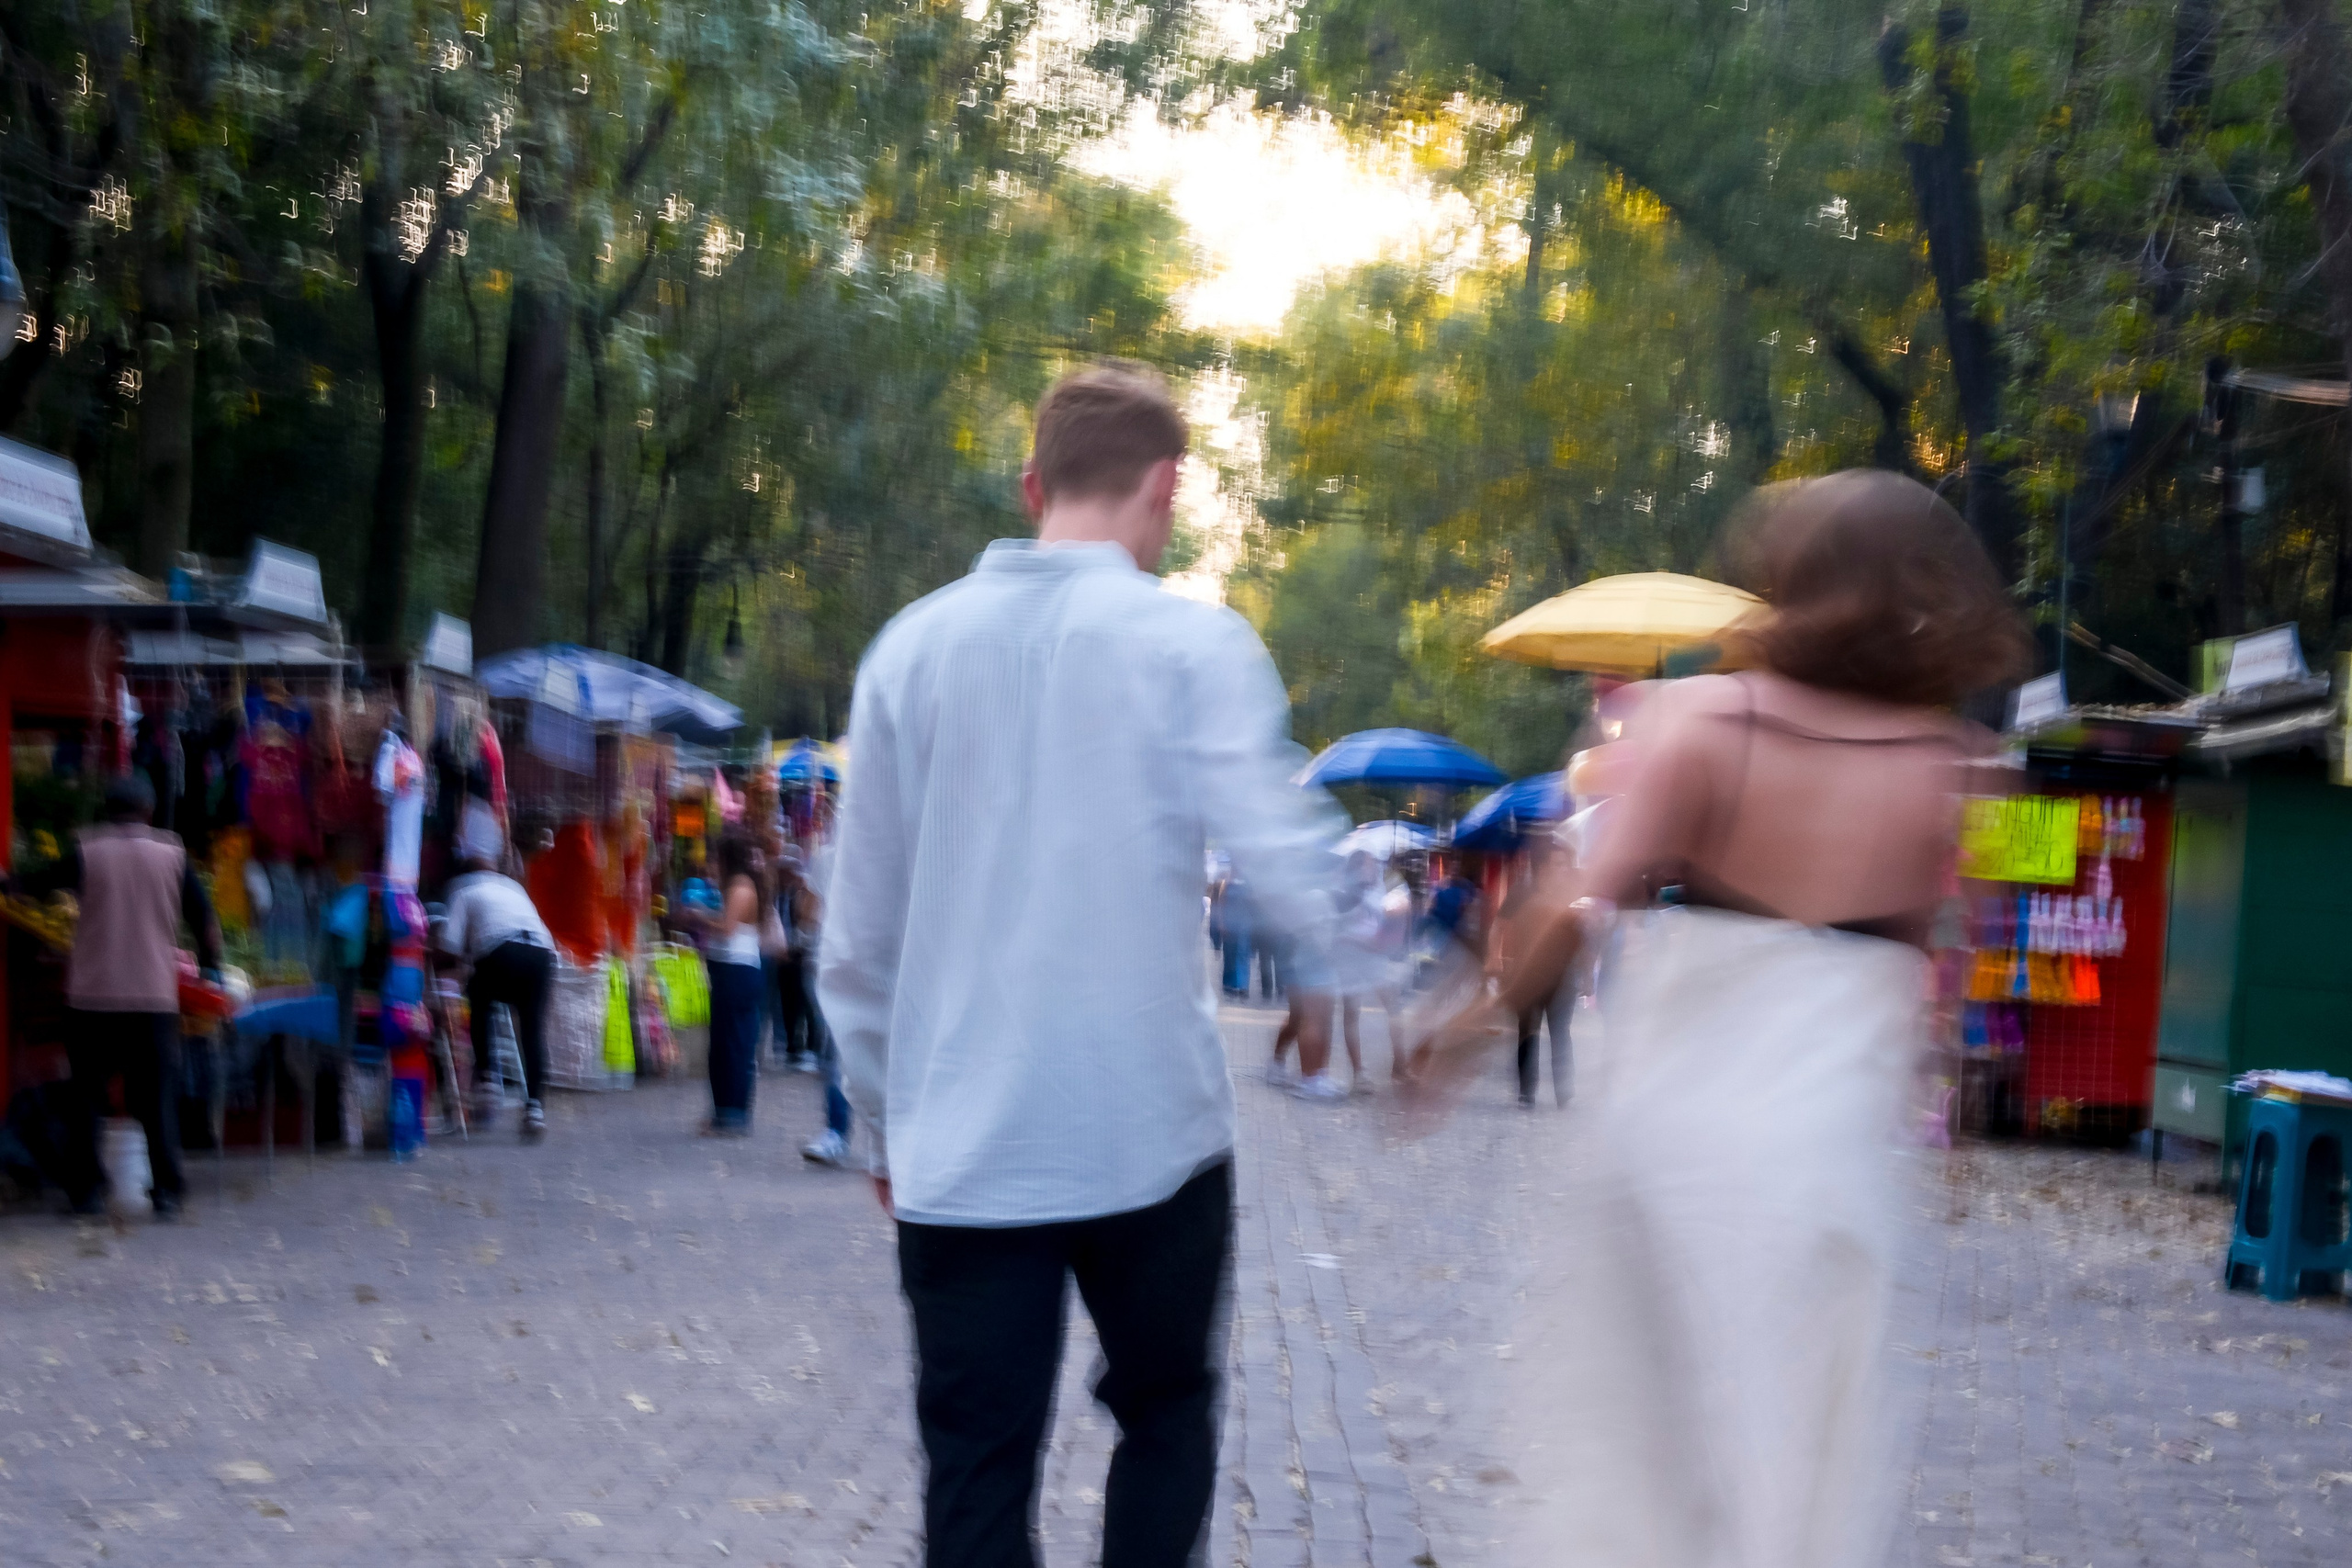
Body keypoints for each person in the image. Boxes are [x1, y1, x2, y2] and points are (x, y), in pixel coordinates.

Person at [1416, 469, 2027, 1568]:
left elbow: (1576, 901)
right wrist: (1950, 1102)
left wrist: (1469, 1027)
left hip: (1673, 1138)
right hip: (1828, 1158)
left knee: (1643, 1445)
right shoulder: (1959, 770)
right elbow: (1956, 962)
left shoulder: (1701, 720)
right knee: (1788, 1452)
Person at [819, 363, 1338, 1568]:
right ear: (1166, 487)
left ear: (1032, 486)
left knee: (976, 1465)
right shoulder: (1193, 644)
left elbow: (859, 937)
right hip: (1146, 1130)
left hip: (964, 1141)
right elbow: (1284, 854)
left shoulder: (909, 650)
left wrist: (882, 1122)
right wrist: (1368, 984)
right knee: (1165, 1415)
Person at [18, 773, 220, 1220]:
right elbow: (205, 921)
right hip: (153, 998)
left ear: (108, 812)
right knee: (157, 1098)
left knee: (86, 1098)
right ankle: (167, 1193)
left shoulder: (87, 851)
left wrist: (9, 883)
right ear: (148, 811)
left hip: (92, 997)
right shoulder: (173, 853)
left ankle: (87, 1194)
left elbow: (36, 885)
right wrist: (212, 968)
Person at [437, 825, 557, 1141]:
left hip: (501, 950)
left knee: (479, 995)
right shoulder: (513, 887)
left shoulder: (462, 891)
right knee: (532, 1028)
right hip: (542, 953)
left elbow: (448, 948)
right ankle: (535, 1108)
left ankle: (488, 1078)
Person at [697, 833, 769, 1136]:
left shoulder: (740, 887)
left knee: (734, 1043)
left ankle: (732, 1112)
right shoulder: (732, 886)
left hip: (737, 971)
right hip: (728, 970)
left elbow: (727, 928)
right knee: (723, 1042)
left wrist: (699, 916)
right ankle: (723, 1110)